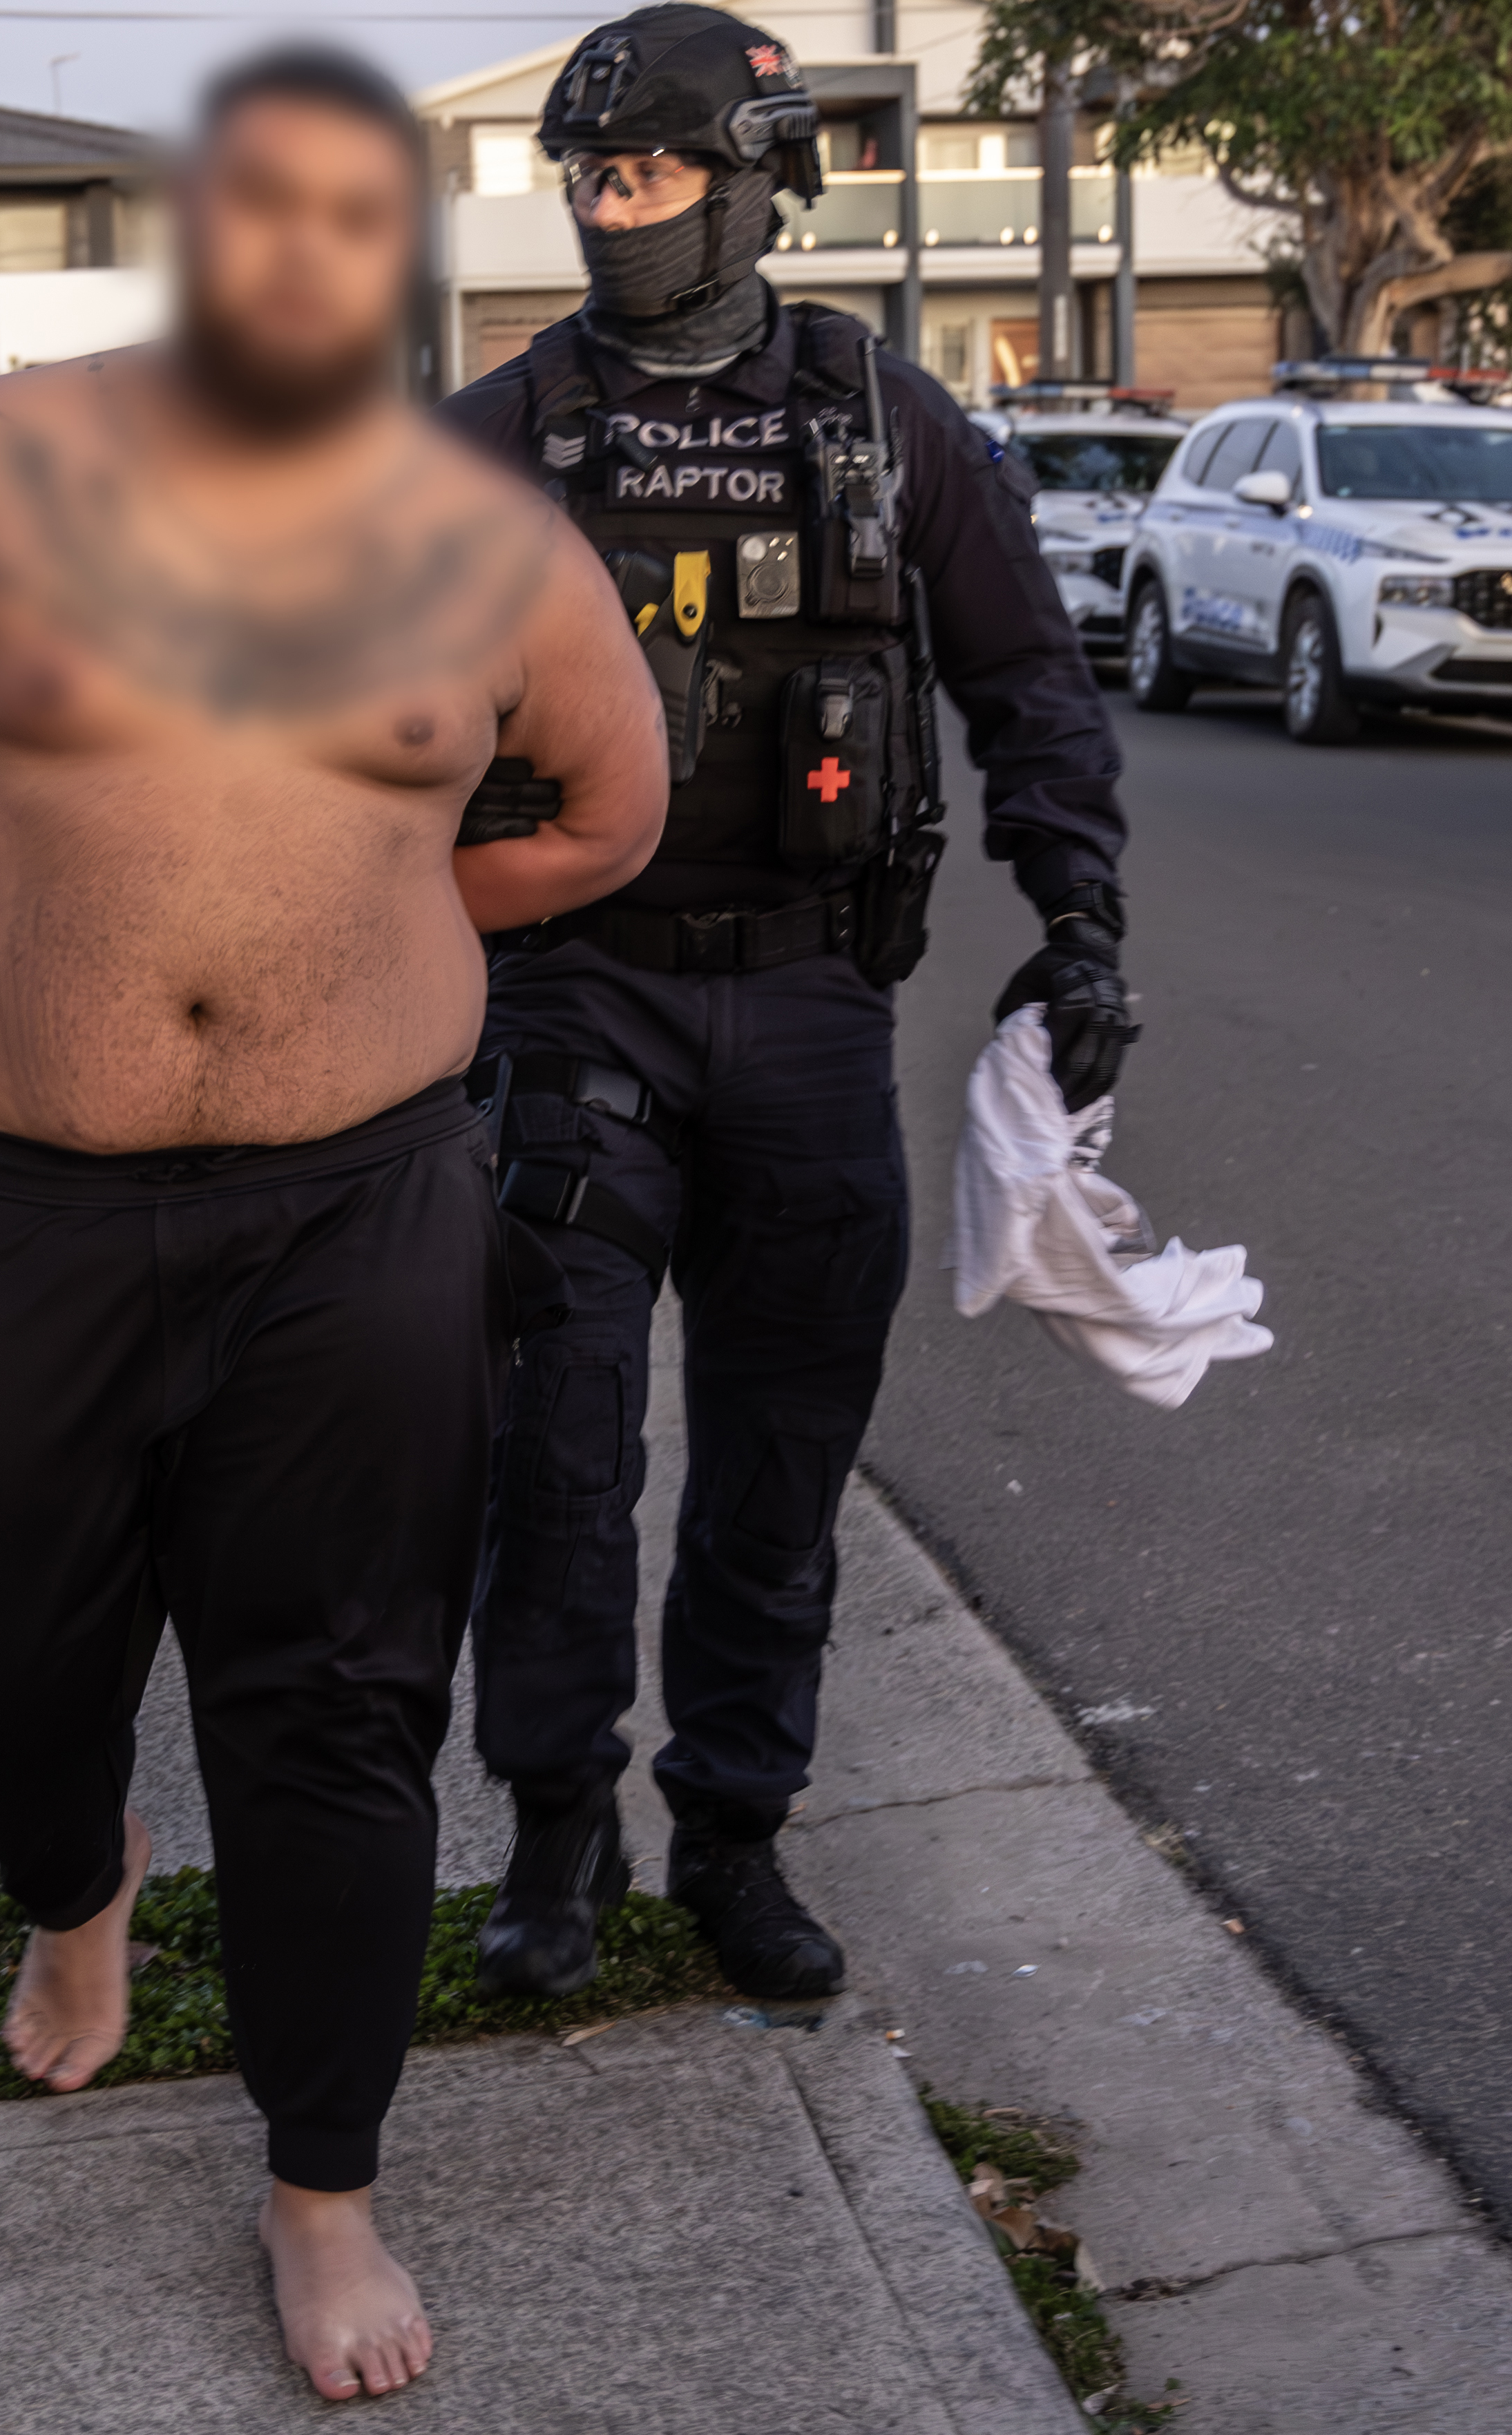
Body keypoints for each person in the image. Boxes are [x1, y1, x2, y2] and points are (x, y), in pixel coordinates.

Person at [0, 47, 664, 2403]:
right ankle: (77, 1880)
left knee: (339, 1705)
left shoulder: (486, 536)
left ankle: (321, 2182)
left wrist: (387, 909)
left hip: (354, 1214)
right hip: (15, 1202)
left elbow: (609, 808)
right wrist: (39, 883)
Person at [437, 5, 1134, 2005]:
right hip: (573, 1012)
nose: (604, 207)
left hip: (815, 1020)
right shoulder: (497, 434)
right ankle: (556, 1823)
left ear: (754, 184)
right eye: (584, 174)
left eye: (643, 173)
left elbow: (1029, 689)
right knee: (556, 1467)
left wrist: (1080, 921)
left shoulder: (885, 417)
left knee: (779, 1472)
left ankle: (735, 1830)